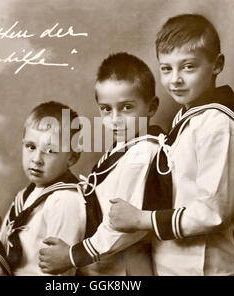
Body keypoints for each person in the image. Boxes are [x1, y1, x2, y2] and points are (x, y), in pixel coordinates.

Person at [108, 14, 234, 276]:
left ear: (217, 64)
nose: (175, 79)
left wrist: (140, 219)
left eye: (188, 67)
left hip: (206, 267)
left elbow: (213, 212)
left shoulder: (217, 124)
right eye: (166, 68)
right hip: (173, 263)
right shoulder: (189, 118)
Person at [38, 52, 163, 275]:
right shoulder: (124, 147)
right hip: (106, 264)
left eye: (126, 108)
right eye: (106, 109)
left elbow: (126, 228)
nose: (115, 119)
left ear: (151, 107)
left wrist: (72, 255)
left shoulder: (143, 153)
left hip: (126, 268)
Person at [0, 101, 86, 276]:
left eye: (50, 150)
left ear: (72, 157)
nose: (36, 159)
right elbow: (0, 245)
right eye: (31, 147)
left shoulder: (65, 200)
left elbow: (60, 273)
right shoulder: (25, 195)